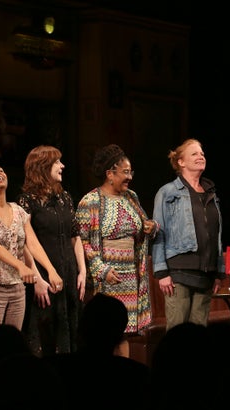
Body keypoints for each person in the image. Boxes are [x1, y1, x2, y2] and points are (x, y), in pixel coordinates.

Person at [76, 143, 158, 351]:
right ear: (110, 174)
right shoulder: (90, 201)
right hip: (106, 279)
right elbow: (82, 241)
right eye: (125, 172)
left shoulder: (131, 197)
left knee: (124, 333)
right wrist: (102, 270)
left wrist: (150, 226)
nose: (130, 177)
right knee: (105, 333)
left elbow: (142, 225)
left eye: (131, 172)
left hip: (130, 277)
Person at [0, 160, 61, 333]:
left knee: (13, 337)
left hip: (17, 286)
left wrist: (50, 270)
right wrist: (21, 266)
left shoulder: (18, 211)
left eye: (1, 170)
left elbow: (32, 242)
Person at [17, 145, 86, 356]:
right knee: (46, 332)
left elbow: (75, 236)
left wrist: (82, 271)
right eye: (57, 162)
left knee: (72, 330)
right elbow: (26, 244)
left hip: (69, 272)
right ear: (43, 166)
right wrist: (37, 279)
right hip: (44, 275)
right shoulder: (27, 200)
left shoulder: (64, 197)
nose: (62, 166)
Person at [151, 138, 224, 330]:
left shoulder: (211, 193)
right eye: (194, 153)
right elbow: (158, 232)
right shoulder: (167, 192)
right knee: (177, 335)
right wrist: (161, 272)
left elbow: (217, 234)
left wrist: (219, 271)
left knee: (199, 337)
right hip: (178, 274)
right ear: (181, 162)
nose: (201, 156)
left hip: (206, 274)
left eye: (202, 153)